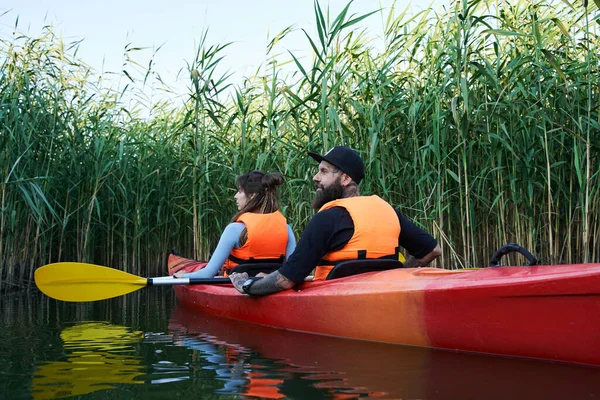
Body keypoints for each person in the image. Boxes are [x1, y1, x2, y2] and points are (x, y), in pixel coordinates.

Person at [229, 146, 442, 295]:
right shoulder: (388, 211)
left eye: (323, 171)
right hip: (384, 296)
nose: (315, 177)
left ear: (345, 178)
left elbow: (285, 280)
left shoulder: (327, 217)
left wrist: (246, 285)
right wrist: (399, 276)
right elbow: (432, 251)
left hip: (334, 305)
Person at [175, 171, 296, 279]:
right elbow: (291, 270)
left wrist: (184, 276)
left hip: (236, 288)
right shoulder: (286, 229)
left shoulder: (234, 229)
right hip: (273, 286)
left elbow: (207, 274)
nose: (235, 196)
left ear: (252, 196)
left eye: (239, 192)